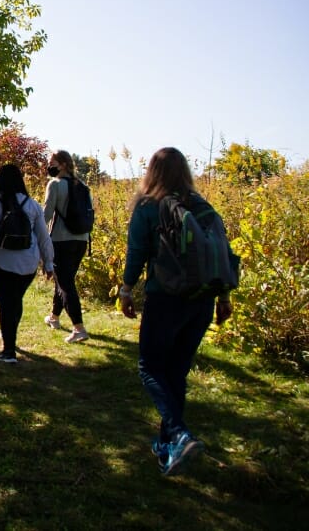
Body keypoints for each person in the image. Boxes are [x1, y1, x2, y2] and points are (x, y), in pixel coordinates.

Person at [119, 147, 234, 477]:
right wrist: (223, 297)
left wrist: (127, 290)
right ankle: (169, 447)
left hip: (165, 297)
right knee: (176, 372)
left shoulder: (148, 206)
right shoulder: (202, 207)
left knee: (150, 367)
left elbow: (137, 252)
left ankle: (180, 435)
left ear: (152, 172)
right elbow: (220, 254)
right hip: (201, 299)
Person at [0, 164, 55, 364]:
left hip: (0, 260)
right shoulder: (32, 205)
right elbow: (43, 237)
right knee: (15, 300)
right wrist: (48, 263)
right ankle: (10, 340)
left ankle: (9, 350)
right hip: (28, 262)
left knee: (5, 303)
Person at [42, 150, 91, 342]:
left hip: (61, 239)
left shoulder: (55, 185)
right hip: (81, 239)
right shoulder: (84, 186)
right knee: (64, 279)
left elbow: (46, 214)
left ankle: (79, 328)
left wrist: (37, 235)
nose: (49, 165)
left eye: (51, 162)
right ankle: (54, 317)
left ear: (62, 164)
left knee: (65, 283)